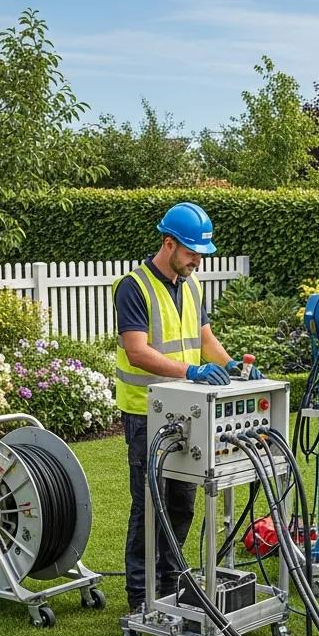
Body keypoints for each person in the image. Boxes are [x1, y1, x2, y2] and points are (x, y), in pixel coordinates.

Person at [112, 201, 263, 613]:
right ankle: (141, 598)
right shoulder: (134, 286)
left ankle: (171, 582)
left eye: (200, 253)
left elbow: (205, 338)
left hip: (186, 412)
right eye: (193, 252)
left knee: (182, 502)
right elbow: (138, 352)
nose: (198, 260)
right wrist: (192, 372)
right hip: (147, 413)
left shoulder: (191, 285)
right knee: (150, 505)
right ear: (168, 243)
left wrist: (228, 364)